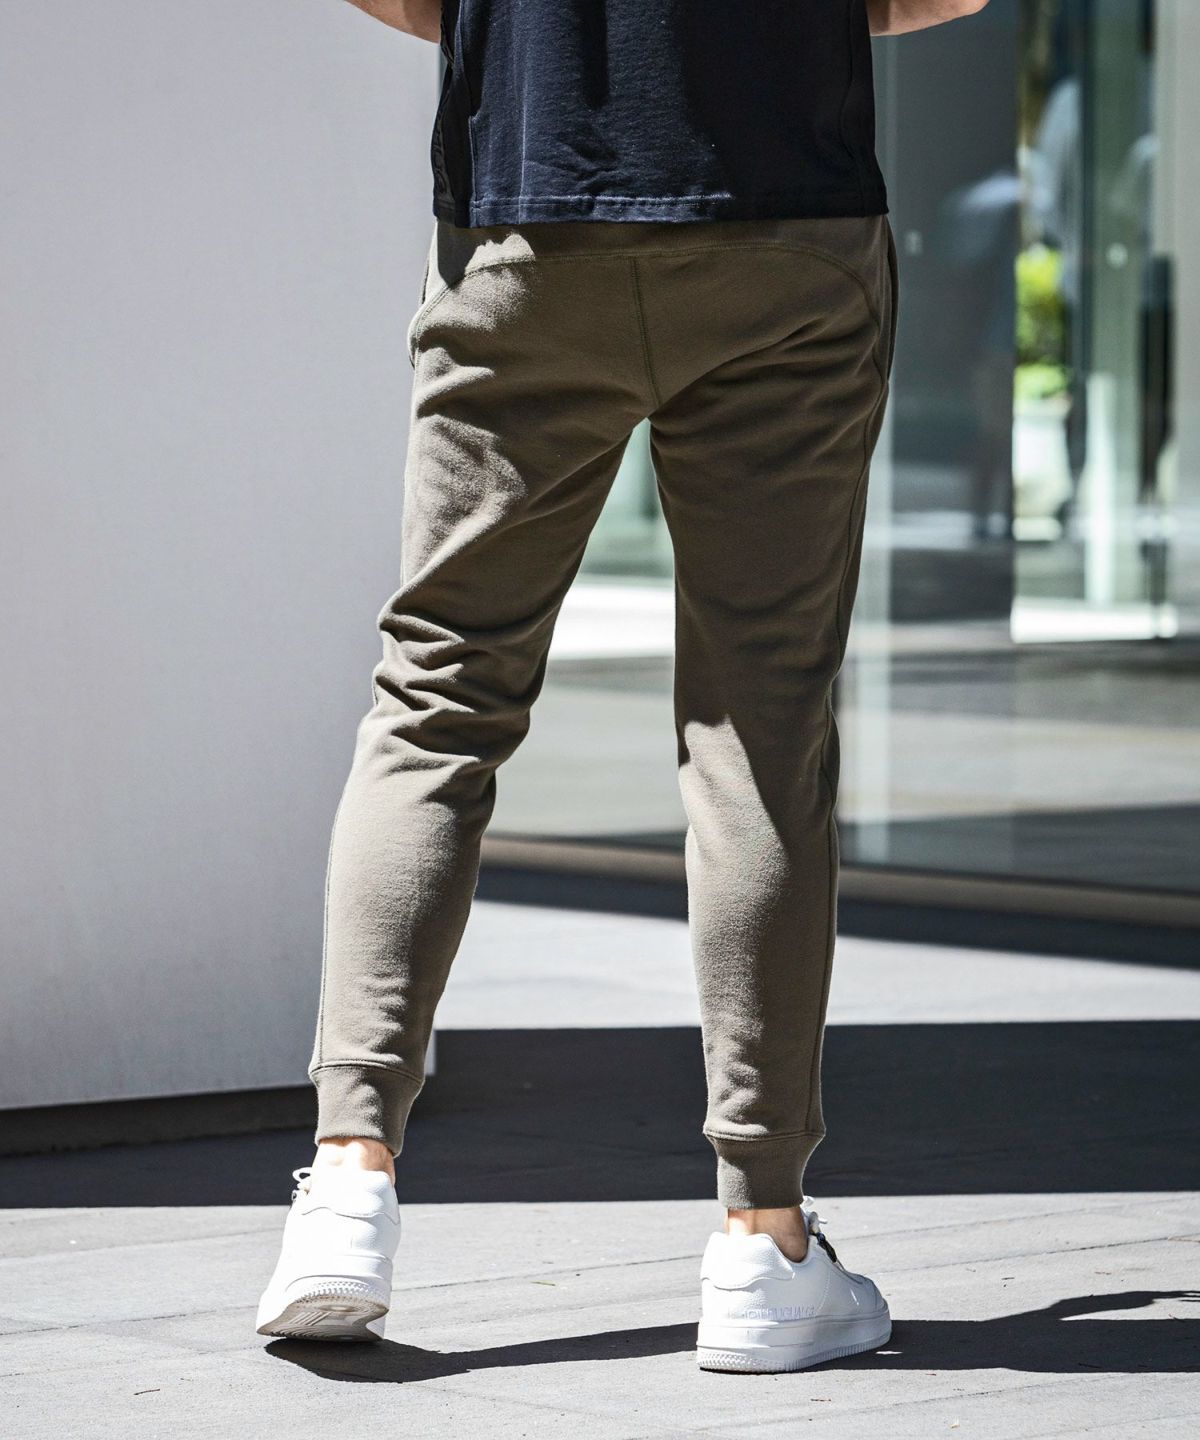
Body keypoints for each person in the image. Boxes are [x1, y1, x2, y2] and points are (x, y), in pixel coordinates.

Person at [256, 0, 989, 1373]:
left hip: (526, 220)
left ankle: (347, 1186)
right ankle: (763, 1243)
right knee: (760, 726)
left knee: (439, 696)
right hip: (786, 222)